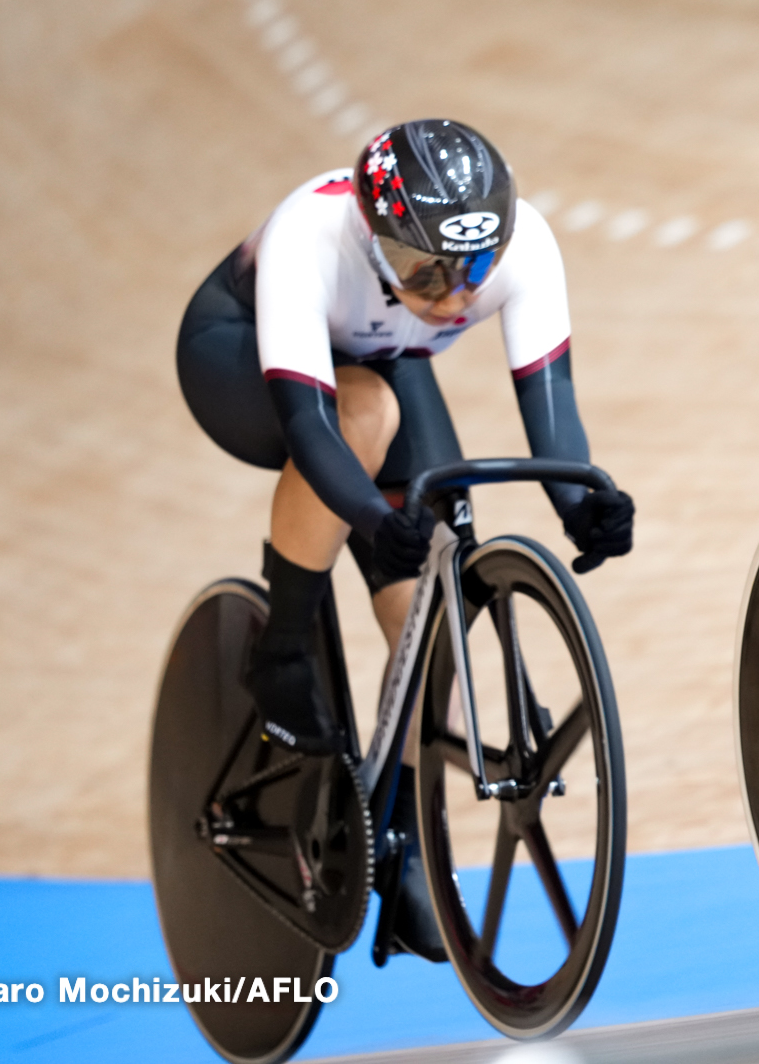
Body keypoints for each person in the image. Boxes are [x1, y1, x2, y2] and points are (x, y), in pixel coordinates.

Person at [175, 118, 635, 958]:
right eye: (428, 271)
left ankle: (414, 851)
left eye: (477, 268)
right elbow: (312, 429)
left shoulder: (523, 244)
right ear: (374, 234)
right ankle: (280, 651)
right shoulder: (310, 236)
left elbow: (553, 415)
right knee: (366, 419)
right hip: (240, 356)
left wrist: (582, 505)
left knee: (436, 606)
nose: (459, 295)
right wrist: (373, 519)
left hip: (381, 360)